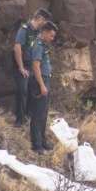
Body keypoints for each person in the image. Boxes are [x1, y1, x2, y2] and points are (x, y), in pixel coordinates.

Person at [13, 9, 52, 127]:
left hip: (33, 66)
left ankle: (28, 117)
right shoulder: (24, 29)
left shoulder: (38, 32)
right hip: (23, 65)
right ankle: (19, 120)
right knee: (22, 91)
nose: (44, 24)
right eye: (44, 21)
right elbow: (17, 47)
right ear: (39, 18)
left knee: (31, 93)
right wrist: (20, 67)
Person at [27, 21, 58, 154]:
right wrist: (42, 85)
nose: (52, 38)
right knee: (37, 114)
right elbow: (36, 66)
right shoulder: (38, 45)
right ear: (44, 32)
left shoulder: (43, 45)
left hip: (45, 80)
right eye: (51, 35)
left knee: (44, 113)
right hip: (39, 81)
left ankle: (43, 141)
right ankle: (36, 145)